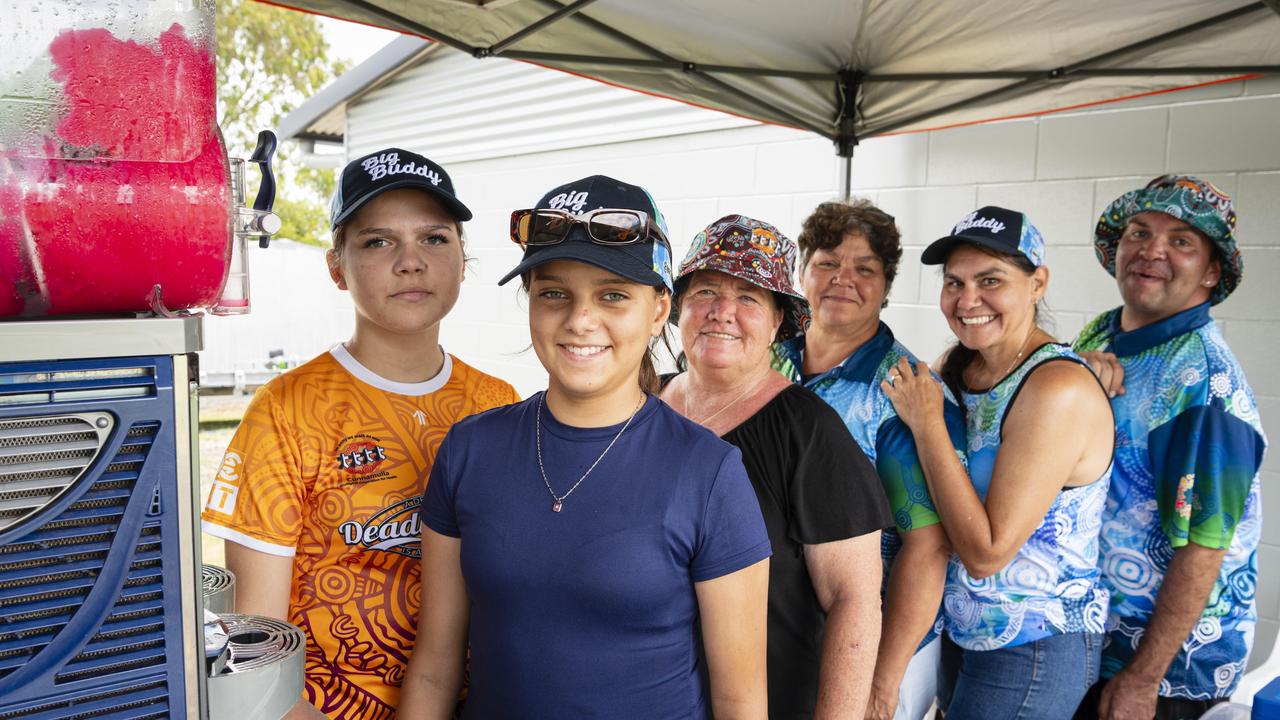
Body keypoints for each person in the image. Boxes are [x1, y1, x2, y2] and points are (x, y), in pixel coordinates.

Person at [400, 176, 772, 719]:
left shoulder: (709, 473)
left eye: (613, 295)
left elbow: (740, 700)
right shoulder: (469, 450)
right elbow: (435, 667)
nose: (579, 319)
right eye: (554, 293)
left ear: (658, 309)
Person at [201, 148, 519, 719]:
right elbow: (255, 657)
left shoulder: (496, 403)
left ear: (464, 259)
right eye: (378, 241)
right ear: (335, 266)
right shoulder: (286, 410)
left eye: (434, 238)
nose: (410, 262)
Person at [881, 206, 1115, 720]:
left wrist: (929, 426)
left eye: (991, 280)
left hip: (1034, 641)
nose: (968, 301)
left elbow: (987, 552)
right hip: (965, 630)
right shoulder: (961, 365)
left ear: (1038, 284)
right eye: (954, 282)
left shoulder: (1057, 387)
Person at [660, 214, 893, 719]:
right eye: (706, 292)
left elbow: (854, 600)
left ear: (777, 323)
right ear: (678, 307)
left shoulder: (808, 431)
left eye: (748, 298)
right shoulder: (640, 405)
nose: (723, 312)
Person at [1070, 176, 1267, 720]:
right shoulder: (1100, 335)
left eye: (1181, 240)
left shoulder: (1203, 383)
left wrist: (1143, 678)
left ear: (1211, 272)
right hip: (1090, 640)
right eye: (1139, 232)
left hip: (1164, 673)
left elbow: (1206, 546)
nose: (1151, 249)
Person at [774, 200, 964, 720]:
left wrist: (882, 677)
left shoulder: (905, 389)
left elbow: (929, 546)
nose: (843, 279)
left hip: (870, 642)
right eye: (829, 262)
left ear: (886, 285)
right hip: (779, 628)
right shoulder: (767, 356)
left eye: (865, 269)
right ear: (802, 270)